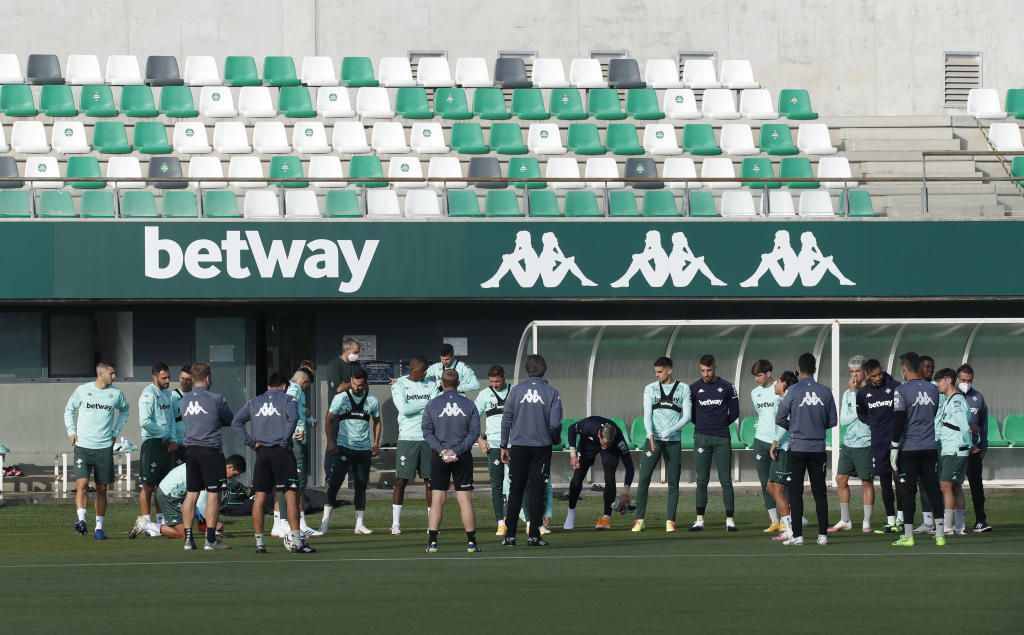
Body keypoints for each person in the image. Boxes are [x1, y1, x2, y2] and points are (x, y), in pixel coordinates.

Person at [231, 372, 313, 553]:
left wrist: (252, 443)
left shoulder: (254, 402)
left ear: (268, 387)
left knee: (259, 498)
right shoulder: (288, 399)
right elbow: (294, 418)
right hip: (282, 452)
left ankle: (260, 543)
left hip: (263, 454)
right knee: (291, 494)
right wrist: (284, 439)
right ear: (283, 386)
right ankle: (297, 541)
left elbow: (236, 422)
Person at [500, 354, 563, 547]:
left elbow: (507, 419)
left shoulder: (516, 391)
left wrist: (504, 445)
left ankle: (510, 536)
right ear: (544, 370)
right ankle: (534, 535)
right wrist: (554, 439)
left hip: (518, 447)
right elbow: (554, 423)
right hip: (541, 447)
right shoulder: (552, 392)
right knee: (537, 490)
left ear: (527, 370)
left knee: (516, 489)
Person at [775, 353, 837, 546]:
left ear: (799, 369)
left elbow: (780, 418)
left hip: (798, 448)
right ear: (815, 369)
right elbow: (832, 420)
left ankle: (798, 536)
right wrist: (817, 426)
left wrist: (795, 426)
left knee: (796, 491)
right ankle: (822, 535)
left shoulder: (792, 391)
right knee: (820, 492)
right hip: (818, 448)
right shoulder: (826, 391)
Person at [64, 361, 130, 540]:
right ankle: (82, 520)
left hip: (104, 448)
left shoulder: (116, 394)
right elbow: (69, 409)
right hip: (83, 446)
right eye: (112, 373)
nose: (114, 377)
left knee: (102, 489)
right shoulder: (82, 390)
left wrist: (115, 432)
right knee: (82, 484)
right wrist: (71, 432)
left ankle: (99, 528)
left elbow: (125, 410)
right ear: (101, 374)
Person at [422, 370, 483, 553]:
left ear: (442, 383)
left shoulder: (432, 404)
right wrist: (456, 451)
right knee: (464, 498)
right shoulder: (469, 404)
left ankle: (432, 542)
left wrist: (442, 451)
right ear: (459, 383)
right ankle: (471, 543)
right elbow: (474, 433)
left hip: (439, 456)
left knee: (438, 499)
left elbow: (426, 432)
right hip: (462, 455)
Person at [890, 352, 945, 547]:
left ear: (905, 369)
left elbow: (898, 420)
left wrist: (894, 447)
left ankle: (908, 536)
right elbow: (932, 414)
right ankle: (940, 535)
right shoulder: (933, 390)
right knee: (933, 490)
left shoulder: (902, 390)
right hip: (929, 447)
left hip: (910, 449)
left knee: (907, 491)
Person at [179, 362, 234, 551]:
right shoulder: (217, 398)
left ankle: (188, 539)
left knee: (191, 493)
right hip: (210, 450)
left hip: (191, 450)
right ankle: (210, 539)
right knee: (213, 494)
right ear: (208, 378)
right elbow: (229, 419)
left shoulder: (183, 400)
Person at [633, 356, 690, 533]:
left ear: (669, 371)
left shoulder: (683, 388)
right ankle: (639, 519)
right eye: (655, 372)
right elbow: (647, 414)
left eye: (660, 372)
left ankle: (670, 520)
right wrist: (650, 433)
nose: (656, 375)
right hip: (653, 440)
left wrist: (670, 431)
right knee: (644, 479)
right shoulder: (649, 388)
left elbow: (687, 417)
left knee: (673, 481)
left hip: (673, 441)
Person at [321, 367, 382, 535]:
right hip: (343, 448)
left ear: (366, 384)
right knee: (334, 484)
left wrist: (376, 443)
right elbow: (328, 421)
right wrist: (331, 443)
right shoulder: (341, 398)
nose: (356, 387)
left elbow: (377, 422)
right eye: (354, 384)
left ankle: (359, 524)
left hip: (363, 450)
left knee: (361, 486)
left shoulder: (372, 401)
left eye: (360, 385)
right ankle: (324, 523)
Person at [131, 455, 245, 540]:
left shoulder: (213, 464)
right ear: (229, 467)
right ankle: (146, 524)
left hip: (172, 491)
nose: (232, 478)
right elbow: (202, 503)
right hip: (170, 494)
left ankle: (207, 528)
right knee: (182, 534)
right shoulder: (213, 471)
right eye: (234, 474)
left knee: (191, 516)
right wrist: (214, 524)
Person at [688, 354, 740, 532]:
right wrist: (703, 425)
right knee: (701, 480)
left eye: (709, 370)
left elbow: (735, 413)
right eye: (702, 370)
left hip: (722, 438)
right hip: (701, 437)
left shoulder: (727, 387)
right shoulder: (693, 388)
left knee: (725, 479)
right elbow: (691, 414)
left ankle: (730, 520)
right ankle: (699, 520)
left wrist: (719, 424)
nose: (706, 374)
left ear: (715, 368)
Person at [390, 355, 437, 535]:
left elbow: (434, 407)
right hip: (407, 438)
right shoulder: (399, 385)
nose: (425, 373)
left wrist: (416, 405)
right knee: (401, 480)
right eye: (422, 370)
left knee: (430, 482)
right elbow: (404, 409)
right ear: (412, 369)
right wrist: (425, 403)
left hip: (428, 438)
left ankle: (432, 524)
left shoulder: (431, 384)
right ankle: (395, 524)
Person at [856, 358, 903, 534]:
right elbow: (861, 413)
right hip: (878, 442)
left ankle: (901, 518)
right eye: (874, 376)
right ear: (868, 375)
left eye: (880, 374)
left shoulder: (896, 387)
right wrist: (874, 422)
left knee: (899, 480)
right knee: (884, 482)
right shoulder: (863, 393)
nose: (878, 378)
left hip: (897, 442)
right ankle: (890, 520)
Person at [830, 355, 875, 534]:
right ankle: (845, 520)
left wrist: (855, 397)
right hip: (849, 443)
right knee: (840, 479)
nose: (854, 375)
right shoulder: (847, 393)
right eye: (851, 372)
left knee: (866, 482)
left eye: (857, 371)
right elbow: (845, 420)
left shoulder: (871, 392)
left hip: (866, 442)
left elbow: (869, 417)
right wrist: (853, 396)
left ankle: (866, 522)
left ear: (865, 372)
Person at [565, 416, 635, 530]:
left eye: (609, 443)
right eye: (604, 442)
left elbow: (630, 467)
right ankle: (571, 513)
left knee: (610, 477)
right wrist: (573, 455)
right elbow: (571, 429)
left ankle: (606, 518)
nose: (605, 445)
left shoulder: (618, 440)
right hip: (588, 444)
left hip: (610, 452)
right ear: (599, 435)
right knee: (578, 476)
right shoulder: (589, 425)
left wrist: (625, 491)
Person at [137, 362, 176, 530]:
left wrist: (173, 438)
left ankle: (160, 522)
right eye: (164, 378)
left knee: (163, 485)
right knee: (148, 485)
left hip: (166, 445)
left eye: (168, 377)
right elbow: (145, 421)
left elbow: (171, 419)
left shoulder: (168, 394)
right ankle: (146, 523)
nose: (167, 380)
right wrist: (164, 435)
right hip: (152, 443)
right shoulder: (148, 394)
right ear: (155, 377)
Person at [934, 368, 973, 537]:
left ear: (948, 380)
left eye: (939, 381)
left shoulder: (956, 401)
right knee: (956, 486)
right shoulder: (950, 399)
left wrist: (970, 445)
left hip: (955, 450)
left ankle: (947, 526)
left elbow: (964, 426)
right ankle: (959, 526)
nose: (937, 385)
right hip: (951, 449)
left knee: (946, 485)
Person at [475, 365, 511, 535]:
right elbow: (471, 419)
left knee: (519, 483)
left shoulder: (515, 391)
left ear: (504, 377)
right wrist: (480, 440)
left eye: (498, 381)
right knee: (496, 485)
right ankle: (501, 522)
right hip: (494, 446)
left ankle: (526, 521)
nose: (495, 384)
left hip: (514, 445)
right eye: (492, 382)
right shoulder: (484, 395)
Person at [284, 366, 318, 537]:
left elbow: (298, 411)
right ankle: (299, 523)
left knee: (295, 482)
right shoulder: (295, 389)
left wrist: (309, 419)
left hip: (297, 437)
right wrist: (296, 428)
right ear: (303, 381)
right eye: (307, 385)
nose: (306, 388)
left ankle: (291, 522)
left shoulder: (294, 390)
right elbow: (288, 410)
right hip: (296, 439)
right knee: (299, 482)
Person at [957, 364, 991, 533]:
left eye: (969, 380)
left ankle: (980, 521)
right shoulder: (950, 396)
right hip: (954, 449)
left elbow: (984, 424)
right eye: (963, 380)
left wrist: (983, 446)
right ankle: (952, 523)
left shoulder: (978, 397)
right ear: (957, 379)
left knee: (977, 486)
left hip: (974, 450)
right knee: (950, 486)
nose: (966, 383)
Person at [749, 360, 782, 534]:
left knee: (781, 482)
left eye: (759, 375)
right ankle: (774, 520)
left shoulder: (780, 388)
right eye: (755, 376)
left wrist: (778, 438)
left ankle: (787, 518)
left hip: (779, 442)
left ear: (769, 373)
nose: (757, 379)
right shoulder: (755, 393)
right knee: (765, 483)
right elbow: (762, 415)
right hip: (760, 441)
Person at [768, 371, 799, 541]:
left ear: (784, 384)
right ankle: (792, 518)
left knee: (779, 490)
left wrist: (775, 442)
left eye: (778, 382)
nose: (775, 385)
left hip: (786, 448)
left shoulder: (787, 400)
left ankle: (788, 528)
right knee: (770, 486)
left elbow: (785, 424)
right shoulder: (782, 399)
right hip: (781, 447)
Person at [169, 364, 192, 466]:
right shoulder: (172, 396)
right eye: (182, 378)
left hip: (194, 444)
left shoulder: (197, 396)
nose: (184, 382)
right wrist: (173, 440)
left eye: (187, 379)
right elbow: (170, 420)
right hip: (178, 443)